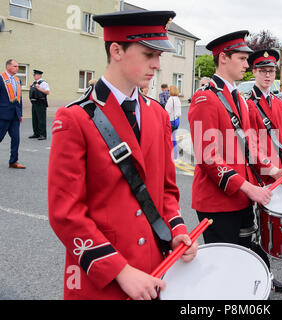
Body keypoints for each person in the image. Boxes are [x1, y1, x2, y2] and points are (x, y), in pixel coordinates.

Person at [48, 10, 198, 300]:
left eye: (159, 56)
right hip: (104, 276)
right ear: (116, 50)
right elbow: (65, 214)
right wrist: (120, 270)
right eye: (148, 54)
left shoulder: (157, 114)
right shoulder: (74, 118)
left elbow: (166, 189)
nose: (157, 65)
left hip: (156, 265)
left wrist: (177, 229)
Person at [188, 31, 282, 292]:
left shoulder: (238, 99)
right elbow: (208, 159)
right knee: (224, 267)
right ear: (223, 58)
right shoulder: (205, 98)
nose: (248, 65)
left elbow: (251, 145)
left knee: (246, 253)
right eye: (242, 58)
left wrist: (272, 169)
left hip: (242, 195)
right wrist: (248, 188)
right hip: (218, 201)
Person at [246, 49, 282, 182]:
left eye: (271, 71)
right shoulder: (247, 103)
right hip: (259, 172)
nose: (268, 75)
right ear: (254, 71)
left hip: (279, 169)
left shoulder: (278, 103)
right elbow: (250, 145)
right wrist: (271, 170)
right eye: (262, 70)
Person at [0, 59, 25, 169]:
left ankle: (13, 161)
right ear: (8, 67)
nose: (17, 68)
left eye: (17, 66)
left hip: (15, 115)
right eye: (15, 66)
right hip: (3, 114)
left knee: (16, 139)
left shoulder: (17, 80)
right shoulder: (1, 79)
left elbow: (19, 98)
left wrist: (21, 114)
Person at [28, 69, 50, 140]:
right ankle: (36, 133)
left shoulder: (43, 83)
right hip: (34, 103)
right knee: (35, 119)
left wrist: (38, 88)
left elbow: (47, 92)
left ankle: (43, 135)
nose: (34, 76)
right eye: (33, 75)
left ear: (39, 75)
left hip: (41, 103)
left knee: (41, 119)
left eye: (35, 75)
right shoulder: (34, 83)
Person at [165, 85, 181, 158]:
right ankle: (175, 154)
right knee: (174, 137)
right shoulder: (177, 99)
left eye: (169, 90)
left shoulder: (171, 99)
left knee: (169, 138)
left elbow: (167, 111)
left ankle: (171, 154)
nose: (168, 92)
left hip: (171, 120)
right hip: (177, 119)